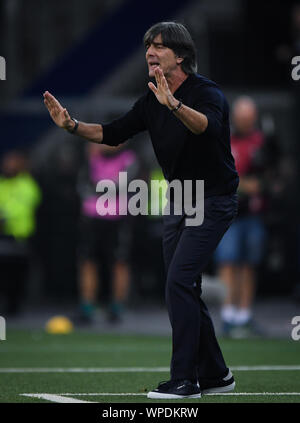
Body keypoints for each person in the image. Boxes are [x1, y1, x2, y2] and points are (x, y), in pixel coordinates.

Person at [43, 22, 239, 400]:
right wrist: (71, 125)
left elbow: (207, 128)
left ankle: (185, 380)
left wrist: (175, 105)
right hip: (180, 200)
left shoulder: (206, 92)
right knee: (182, 286)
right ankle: (216, 373)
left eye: (159, 46)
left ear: (180, 55)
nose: (150, 51)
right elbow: (113, 133)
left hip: (213, 198)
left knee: (179, 283)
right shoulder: (151, 99)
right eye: (148, 45)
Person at [214, 97, 267, 338]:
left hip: (254, 213)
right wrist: (244, 184)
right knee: (228, 261)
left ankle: (244, 315)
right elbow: (224, 176)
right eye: (242, 117)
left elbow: (269, 178)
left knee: (249, 264)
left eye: (249, 117)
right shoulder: (225, 138)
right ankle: (228, 315)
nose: (246, 121)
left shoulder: (262, 142)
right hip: (228, 213)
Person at [76, 142, 137, 324]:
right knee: (88, 261)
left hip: (118, 218)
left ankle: (117, 307)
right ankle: (87, 306)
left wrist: (101, 187)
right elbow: (83, 186)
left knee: (120, 262)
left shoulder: (129, 159)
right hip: (92, 217)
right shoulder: (91, 158)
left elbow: (123, 187)